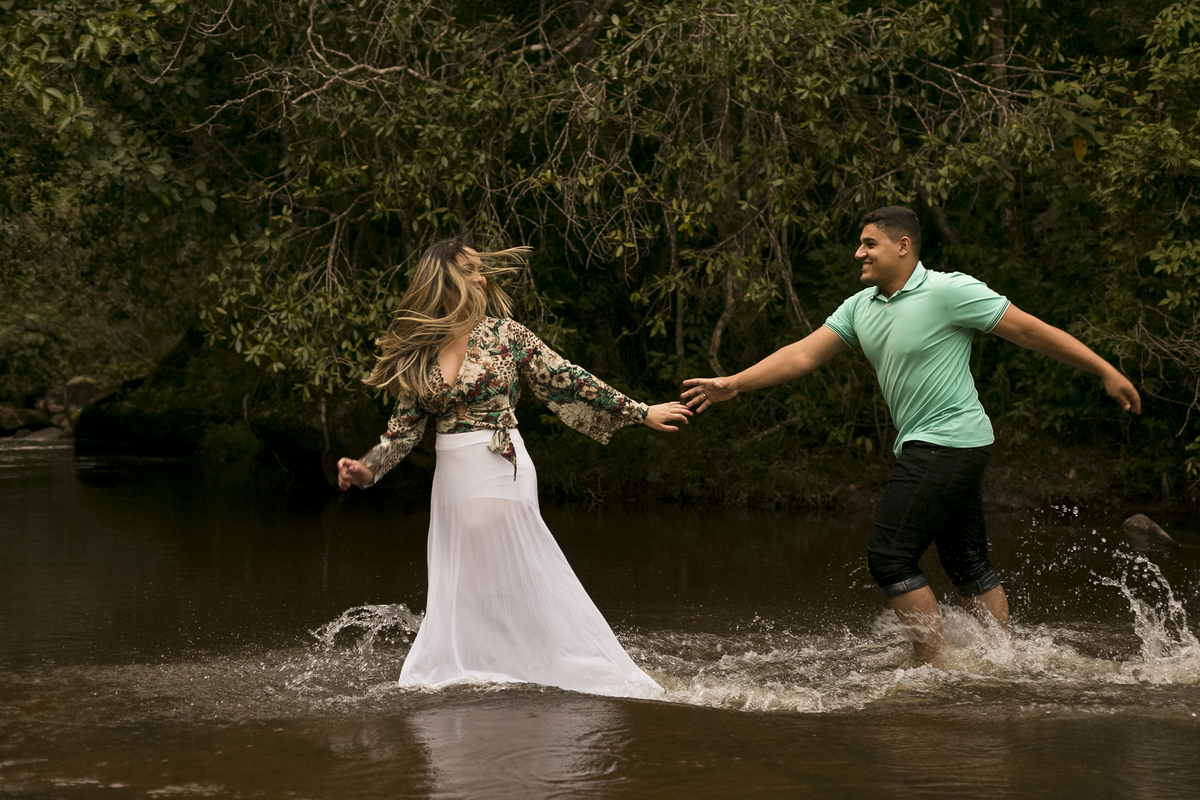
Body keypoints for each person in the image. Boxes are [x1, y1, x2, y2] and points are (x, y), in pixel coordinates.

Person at [681, 206, 1141, 664]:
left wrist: (1103, 369)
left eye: (869, 244)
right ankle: (1005, 661)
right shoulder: (860, 307)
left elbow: (1026, 331)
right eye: (860, 244)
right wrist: (734, 383)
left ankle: (932, 667)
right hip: (950, 444)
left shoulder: (948, 290)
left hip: (948, 440)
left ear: (903, 247)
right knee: (966, 563)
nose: (858, 252)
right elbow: (803, 354)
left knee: (890, 557)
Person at [337, 237, 691, 698]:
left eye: (482, 269)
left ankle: (562, 660)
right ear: (444, 278)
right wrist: (366, 470)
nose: (481, 277)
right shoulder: (419, 351)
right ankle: (495, 666)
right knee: (463, 581)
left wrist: (640, 411)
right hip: (452, 478)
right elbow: (402, 432)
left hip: (499, 462)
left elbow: (568, 377)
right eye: (470, 269)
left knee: (501, 567)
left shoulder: (507, 336)